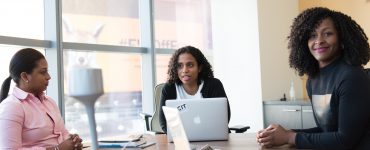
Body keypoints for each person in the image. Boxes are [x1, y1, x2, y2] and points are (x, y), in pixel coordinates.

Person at [256, 7, 370, 149]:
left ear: (342, 39)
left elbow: (344, 140)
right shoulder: (313, 80)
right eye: (312, 35)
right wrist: (284, 134)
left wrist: (289, 137)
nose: (319, 41)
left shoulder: (351, 77)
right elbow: (326, 132)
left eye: (327, 34)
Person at [0, 48, 84, 150]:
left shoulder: (49, 102)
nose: (48, 77)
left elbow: (62, 133)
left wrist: (72, 141)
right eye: (43, 72)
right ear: (25, 76)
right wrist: (57, 149)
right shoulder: (12, 106)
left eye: (47, 72)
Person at [158, 46, 230, 133]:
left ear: (199, 68)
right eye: (180, 66)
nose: (185, 70)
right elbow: (164, 123)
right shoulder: (169, 88)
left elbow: (224, 117)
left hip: (212, 137)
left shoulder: (213, 85)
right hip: (181, 139)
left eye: (190, 65)